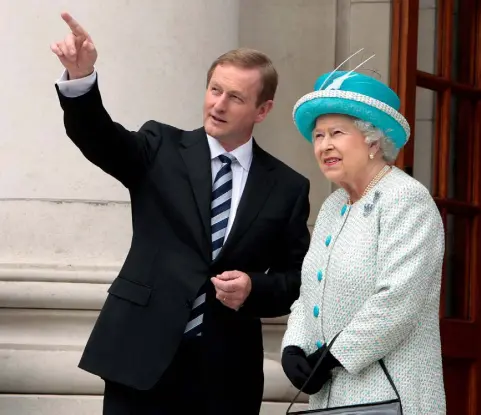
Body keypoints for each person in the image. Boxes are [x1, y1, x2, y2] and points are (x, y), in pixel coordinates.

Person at [50, 12, 310, 415]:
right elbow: (98, 137)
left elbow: (297, 279)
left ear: (263, 110)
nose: (218, 104)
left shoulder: (289, 187)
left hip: (225, 374)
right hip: (139, 356)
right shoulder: (161, 146)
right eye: (214, 90)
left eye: (235, 97)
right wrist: (81, 79)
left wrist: (253, 289)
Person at [281, 68, 446, 414]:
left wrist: (330, 358)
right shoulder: (333, 206)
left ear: (373, 140)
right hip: (331, 398)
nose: (324, 145)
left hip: (390, 394)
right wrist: (293, 346)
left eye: (337, 133)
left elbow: (398, 300)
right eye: (318, 135)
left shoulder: (406, 199)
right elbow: (310, 290)